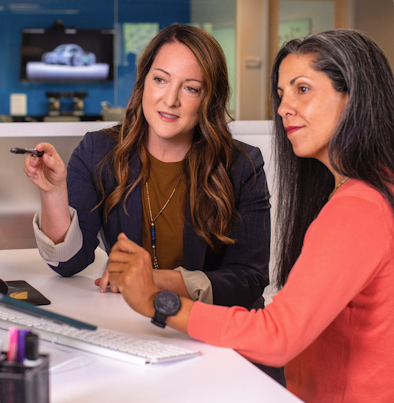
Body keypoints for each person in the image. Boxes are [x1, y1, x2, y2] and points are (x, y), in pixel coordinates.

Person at [106, 29, 394, 403]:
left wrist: (156, 302)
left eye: (302, 89)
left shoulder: (359, 207)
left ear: (355, 97)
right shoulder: (371, 190)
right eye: (281, 93)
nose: (284, 107)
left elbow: (277, 337)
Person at [24, 24, 284, 383]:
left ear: (209, 98)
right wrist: (53, 192)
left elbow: (249, 280)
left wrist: (156, 282)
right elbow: (69, 263)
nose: (170, 100)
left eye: (190, 88)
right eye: (160, 80)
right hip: (137, 335)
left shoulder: (241, 164)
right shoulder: (99, 151)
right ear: (143, 82)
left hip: (220, 342)